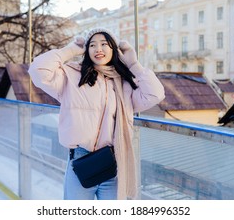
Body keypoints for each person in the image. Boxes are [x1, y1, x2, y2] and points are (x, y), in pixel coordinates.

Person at [28, 28, 165, 200]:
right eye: (92, 45)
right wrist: (69, 50)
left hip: (113, 164)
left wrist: (133, 64)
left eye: (104, 44)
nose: (98, 49)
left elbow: (156, 94)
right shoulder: (72, 76)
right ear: (87, 50)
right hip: (81, 161)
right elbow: (38, 71)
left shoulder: (124, 83)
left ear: (114, 49)